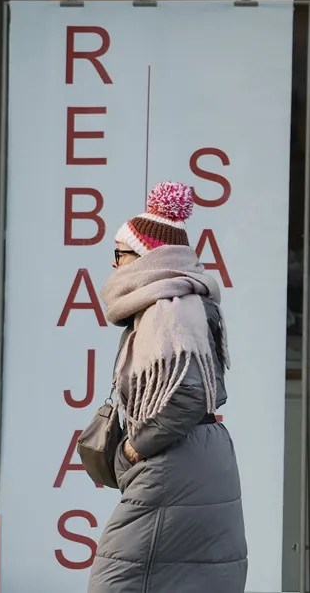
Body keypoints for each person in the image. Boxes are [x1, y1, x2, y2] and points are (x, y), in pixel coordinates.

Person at [87, 181, 248, 593]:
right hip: (195, 462)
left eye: (120, 255)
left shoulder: (170, 309)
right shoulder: (180, 301)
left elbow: (189, 394)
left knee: (115, 582)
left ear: (146, 259)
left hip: (174, 466)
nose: (114, 265)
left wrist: (131, 449)